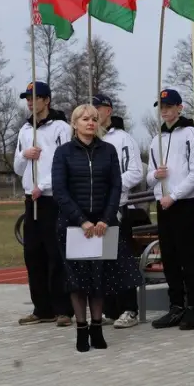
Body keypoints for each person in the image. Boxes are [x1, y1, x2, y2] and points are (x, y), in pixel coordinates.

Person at [52, 104, 144, 352]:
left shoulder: (108, 151)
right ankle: (81, 330)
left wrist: (104, 219)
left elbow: (116, 187)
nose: (90, 123)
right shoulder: (63, 153)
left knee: (99, 278)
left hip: (103, 223)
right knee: (78, 280)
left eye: (94, 119)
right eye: (84, 119)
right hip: (74, 225)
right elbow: (60, 190)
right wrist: (82, 220)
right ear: (74, 123)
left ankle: (96, 327)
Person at [13, 81, 74, 327]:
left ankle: (63, 309)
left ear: (46, 100)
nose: (29, 101)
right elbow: (18, 167)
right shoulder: (25, 130)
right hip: (32, 199)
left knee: (56, 255)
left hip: (52, 199)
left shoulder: (61, 128)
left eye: (34, 97)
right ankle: (42, 308)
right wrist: (24, 155)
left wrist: (44, 185)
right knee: (33, 254)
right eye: (27, 97)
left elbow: (63, 163)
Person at [146, 89, 194, 330]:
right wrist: (155, 176)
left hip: (185, 203)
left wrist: (175, 195)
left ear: (180, 108)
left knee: (188, 257)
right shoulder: (156, 139)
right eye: (161, 106)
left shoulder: (191, 134)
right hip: (164, 205)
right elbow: (149, 176)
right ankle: (176, 306)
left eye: (169, 106)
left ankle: (193, 307)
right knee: (169, 257)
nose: (165, 110)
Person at [92, 93, 144, 329]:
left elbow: (135, 172)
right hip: (95, 209)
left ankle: (129, 308)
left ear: (108, 110)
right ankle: (111, 309)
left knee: (121, 259)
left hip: (117, 206)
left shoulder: (124, 139)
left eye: (98, 109)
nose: (94, 114)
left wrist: (111, 186)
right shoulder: (89, 139)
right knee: (102, 259)